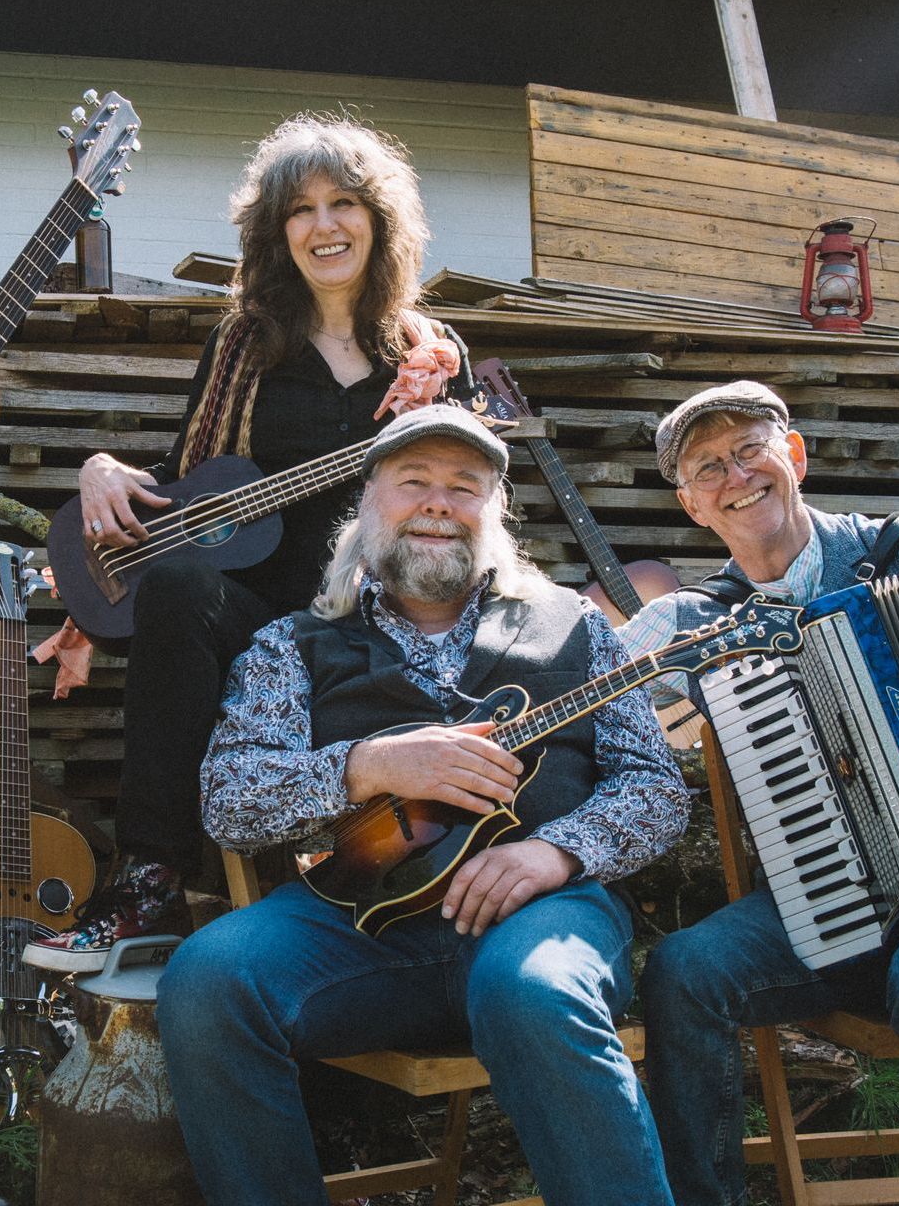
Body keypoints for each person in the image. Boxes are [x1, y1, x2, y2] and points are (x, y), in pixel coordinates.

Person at [154, 402, 689, 1206]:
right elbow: (230, 800)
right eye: (414, 481)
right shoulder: (292, 644)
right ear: (369, 501)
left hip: (539, 922)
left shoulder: (575, 626)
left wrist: (557, 851)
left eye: (464, 486)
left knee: (533, 991)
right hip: (360, 932)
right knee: (205, 982)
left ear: (494, 511)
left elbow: (655, 784)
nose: (438, 503)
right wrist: (368, 767)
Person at [24, 114, 471, 974]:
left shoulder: (430, 359)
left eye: (343, 203)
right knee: (179, 587)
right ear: (276, 232)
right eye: (300, 210)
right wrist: (102, 469)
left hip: (384, 623)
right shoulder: (244, 345)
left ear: (378, 220)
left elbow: (467, 500)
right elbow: (187, 484)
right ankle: (149, 883)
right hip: (266, 621)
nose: (323, 225)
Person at [616, 380, 899, 1206]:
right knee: (684, 972)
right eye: (708, 468)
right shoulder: (694, 619)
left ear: (794, 455)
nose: (736, 476)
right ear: (691, 506)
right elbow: (585, 690)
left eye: (750, 450)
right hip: (830, 899)